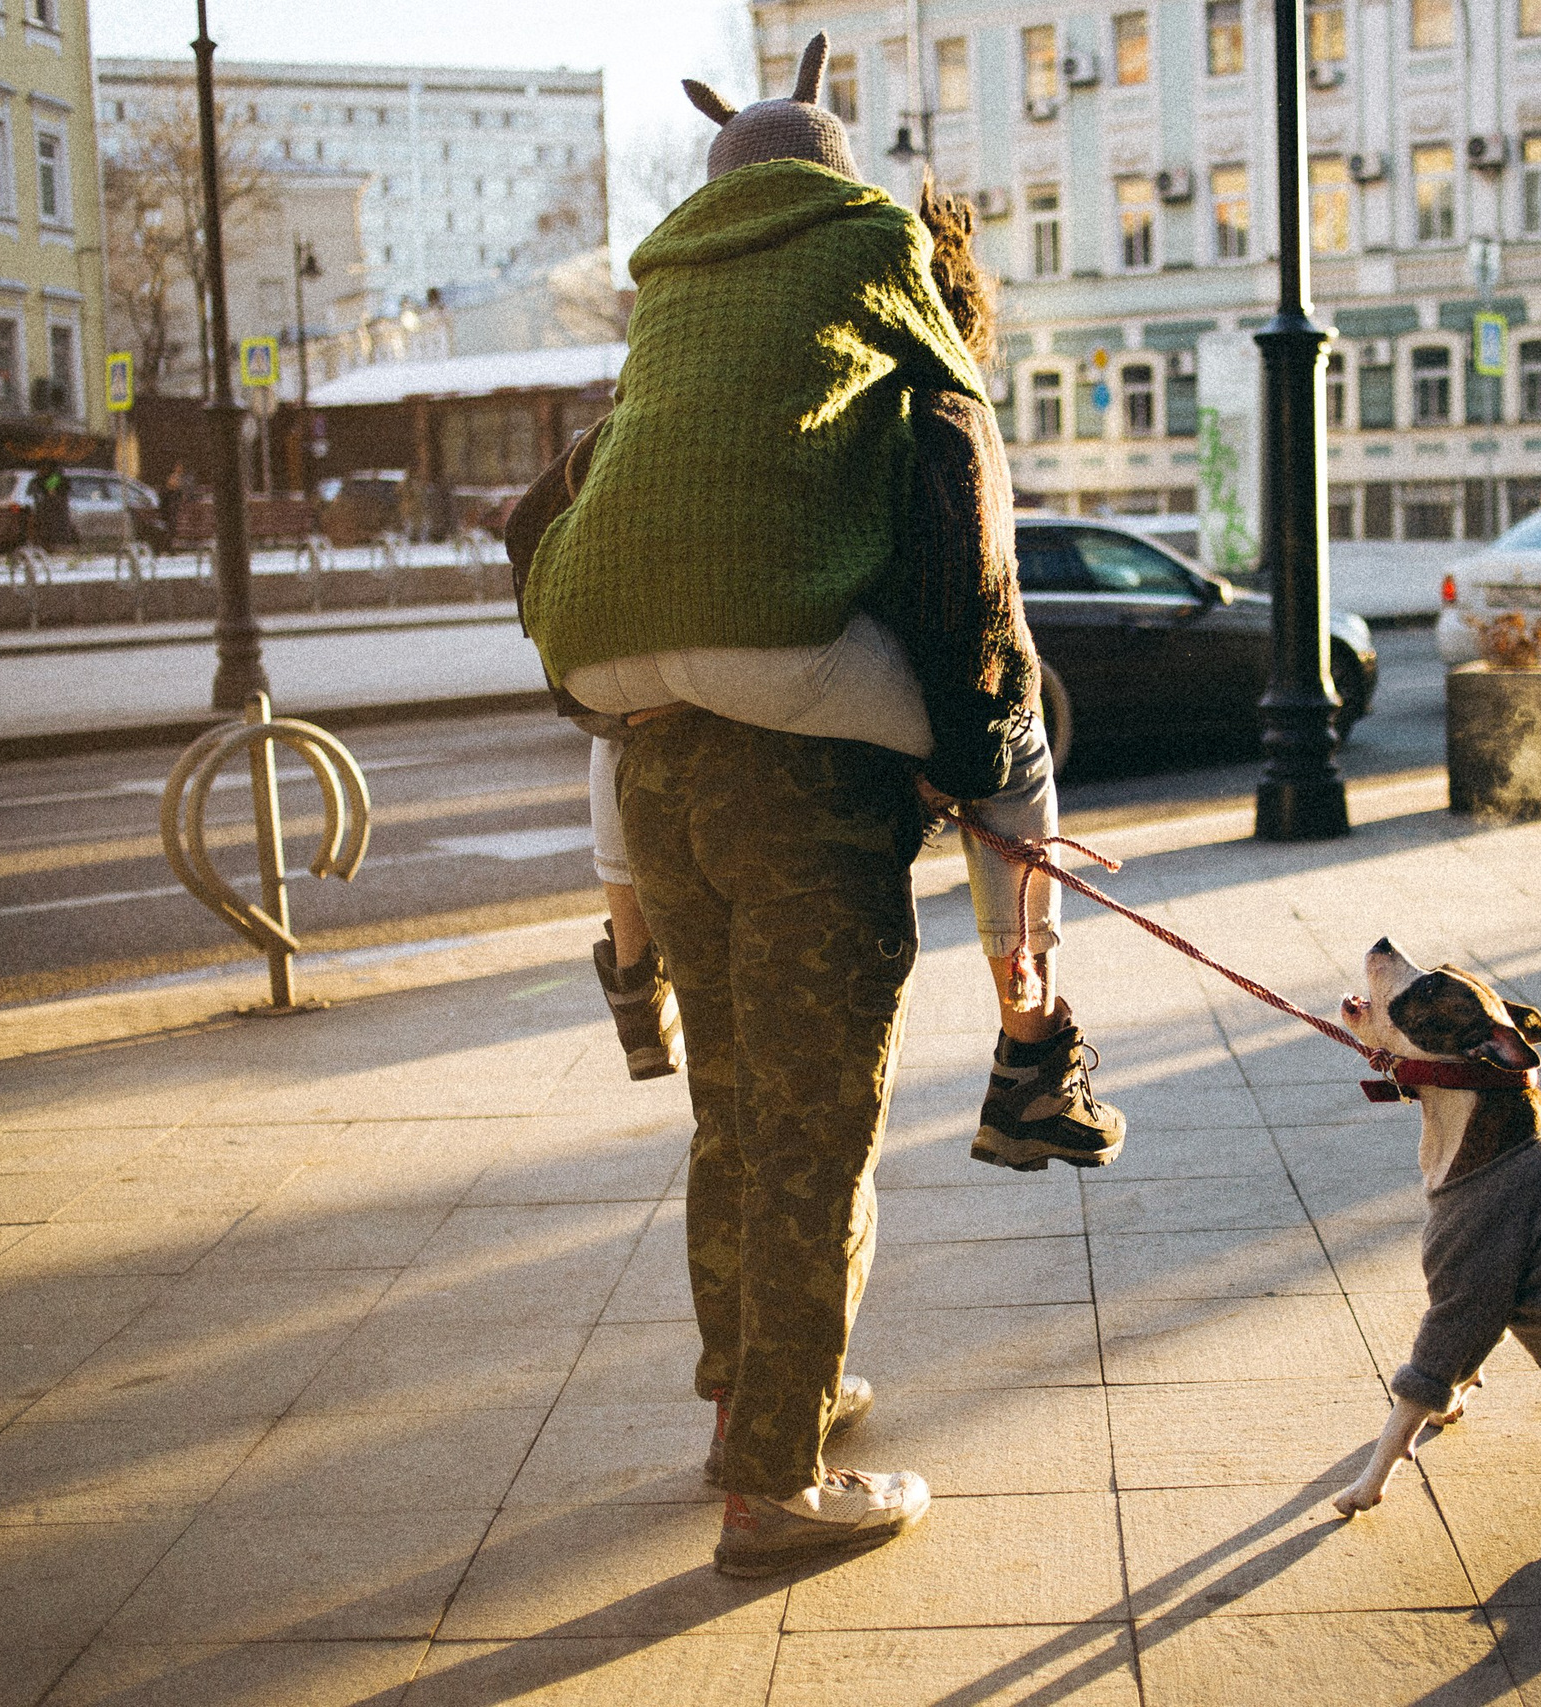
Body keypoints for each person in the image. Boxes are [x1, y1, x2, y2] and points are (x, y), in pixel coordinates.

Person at [516, 36, 1062, 1577]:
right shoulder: (895, 379)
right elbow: (984, 628)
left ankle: (752, 1393)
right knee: (818, 1131)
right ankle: (774, 1480)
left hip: (666, 764)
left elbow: (535, 534)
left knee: (735, 1110)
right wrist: (1022, 933)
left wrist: (618, 889)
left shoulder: (666, 399)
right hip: (806, 790)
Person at [574, 180, 1126, 1172]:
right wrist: (964, 758)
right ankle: (1032, 1049)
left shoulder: (713, 379)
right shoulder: (923, 393)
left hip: (637, 692)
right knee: (1018, 727)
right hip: (787, 673)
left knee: (620, 717)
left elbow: (551, 509)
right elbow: (975, 615)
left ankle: (629, 965)